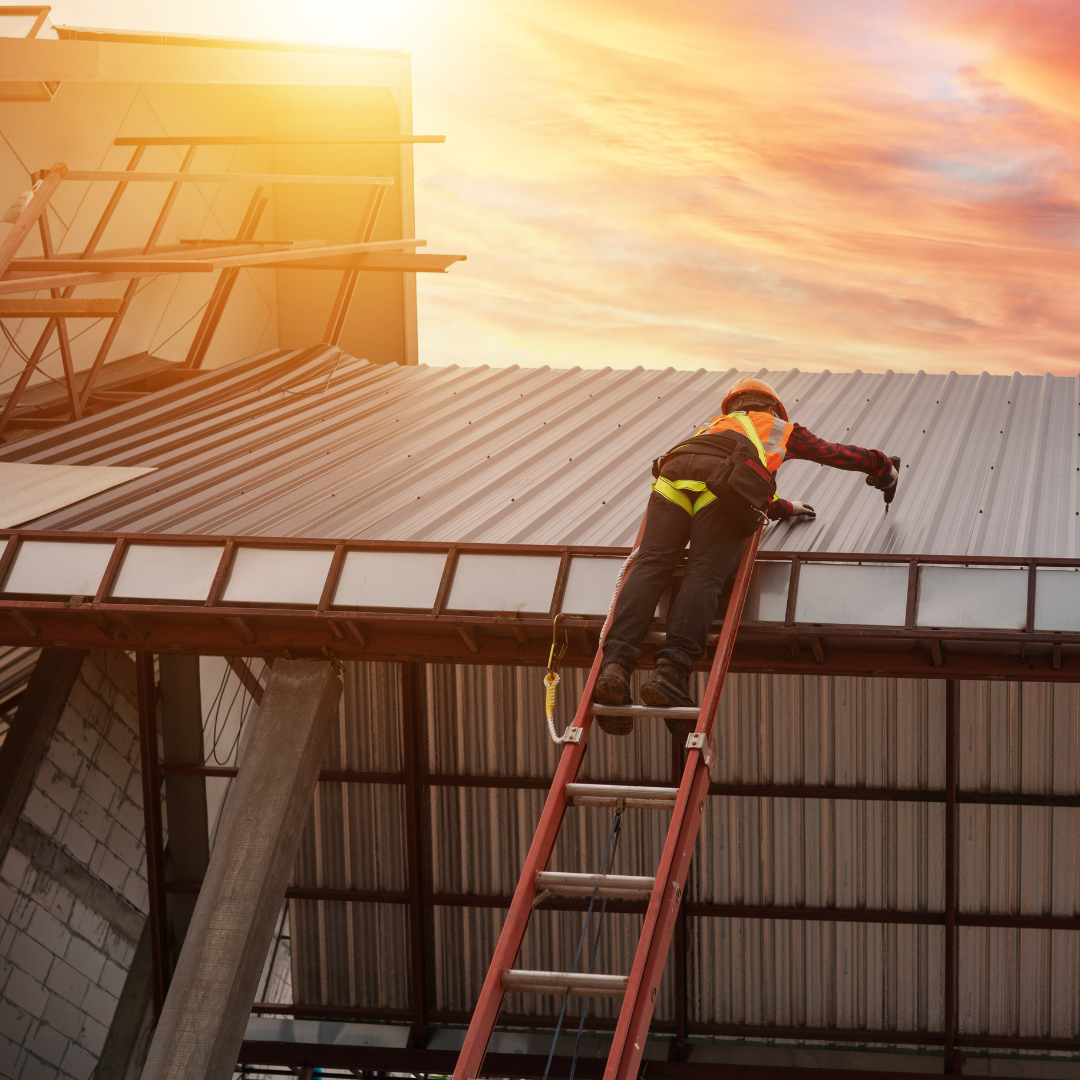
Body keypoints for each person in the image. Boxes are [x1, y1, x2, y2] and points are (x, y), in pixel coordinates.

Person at [593, 377, 898, 737]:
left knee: (650, 566)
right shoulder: (781, 427)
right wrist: (883, 468)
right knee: (704, 574)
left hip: (672, 476)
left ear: (733, 406)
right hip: (720, 488)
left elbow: (735, 474)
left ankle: (614, 667)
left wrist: (783, 507)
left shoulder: (712, 425)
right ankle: (669, 674)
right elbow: (835, 453)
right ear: (772, 407)